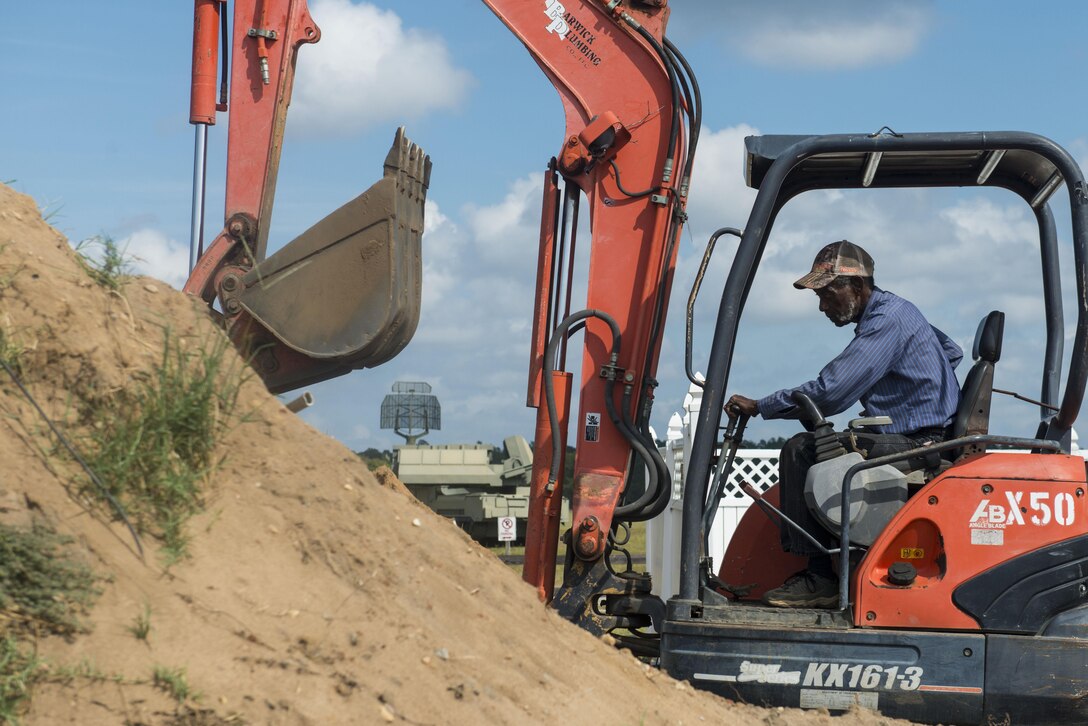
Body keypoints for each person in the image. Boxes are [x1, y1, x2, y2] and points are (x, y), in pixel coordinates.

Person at [726, 240, 962, 608]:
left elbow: (831, 392)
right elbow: (952, 351)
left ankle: (819, 576)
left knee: (801, 450)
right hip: (919, 435)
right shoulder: (899, 312)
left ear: (857, 286)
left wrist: (760, 406)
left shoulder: (887, 321)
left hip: (920, 443)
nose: (822, 305)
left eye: (827, 293)